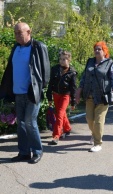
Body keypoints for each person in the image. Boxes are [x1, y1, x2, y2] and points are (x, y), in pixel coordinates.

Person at [0, 22, 50, 163]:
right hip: (18, 93)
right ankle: (24, 152)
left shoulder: (38, 47)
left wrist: (39, 89)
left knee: (30, 122)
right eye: (15, 33)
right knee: (21, 123)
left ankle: (37, 151)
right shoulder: (16, 48)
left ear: (29, 32)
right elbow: (10, 70)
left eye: (19, 32)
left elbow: (46, 73)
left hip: (32, 92)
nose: (16, 35)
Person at [75, 41, 113, 152]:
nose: (96, 51)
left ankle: (98, 143)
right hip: (89, 95)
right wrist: (78, 92)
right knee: (89, 119)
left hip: (102, 97)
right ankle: (94, 134)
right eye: (95, 49)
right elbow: (84, 78)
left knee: (99, 121)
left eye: (99, 49)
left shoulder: (110, 64)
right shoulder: (90, 62)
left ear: (104, 51)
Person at [46, 51, 77, 145]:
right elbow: (51, 83)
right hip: (56, 94)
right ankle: (67, 128)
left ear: (69, 60)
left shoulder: (72, 72)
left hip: (65, 95)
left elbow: (73, 88)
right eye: (61, 59)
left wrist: (73, 102)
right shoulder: (55, 69)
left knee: (59, 113)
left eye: (64, 59)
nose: (62, 61)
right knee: (62, 114)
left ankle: (56, 136)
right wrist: (49, 97)